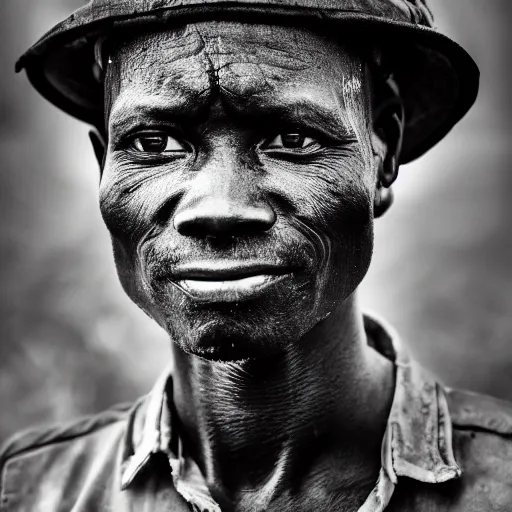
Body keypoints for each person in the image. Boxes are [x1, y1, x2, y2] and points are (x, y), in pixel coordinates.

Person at [1, 1, 511, 510]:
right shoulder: (27, 492)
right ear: (103, 164)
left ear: (383, 153)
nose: (219, 207)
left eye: (292, 139)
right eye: (154, 143)